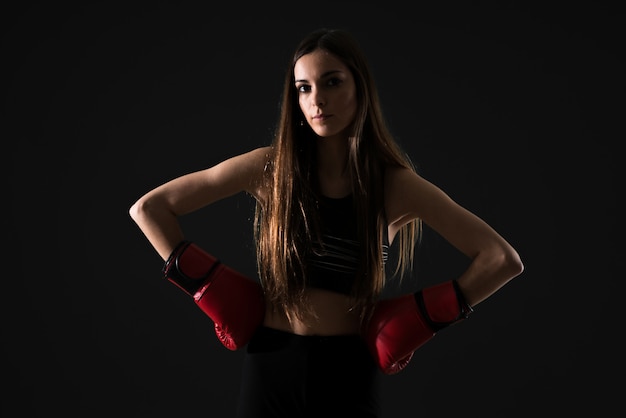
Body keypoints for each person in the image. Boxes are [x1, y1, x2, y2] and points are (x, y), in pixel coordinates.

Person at [129, 27, 524, 418]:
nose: (317, 99)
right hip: (271, 366)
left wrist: (421, 320)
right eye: (304, 87)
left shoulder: (394, 186)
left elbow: (501, 260)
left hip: (348, 374)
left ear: (359, 87)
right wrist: (209, 289)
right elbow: (149, 209)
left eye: (331, 82)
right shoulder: (271, 169)